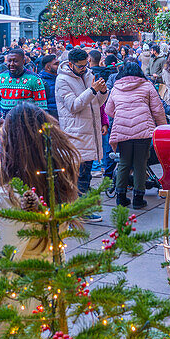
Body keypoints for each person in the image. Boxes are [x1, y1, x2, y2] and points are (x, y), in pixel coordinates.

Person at [0, 102, 79, 263]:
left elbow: (3, 259)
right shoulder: (57, 182)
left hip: (24, 282)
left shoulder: (8, 196)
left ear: (10, 143)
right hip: (53, 277)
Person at [105, 61, 166, 209]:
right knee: (140, 163)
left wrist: (121, 114)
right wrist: (163, 127)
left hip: (122, 129)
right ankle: (138, 199)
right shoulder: (147, 86)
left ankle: (121, 198)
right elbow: (157, 109)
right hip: (143, 129)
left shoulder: (116, 87)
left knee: (124, 163)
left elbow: (108, 110)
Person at [55, 48, 106, 220]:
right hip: (76, 133)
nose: (84, 68)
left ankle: (80, 209)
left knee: (86, 175)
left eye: (86, 65)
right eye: (80, 66)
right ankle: (79, 210)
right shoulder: (62, 80)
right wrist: (92, 90)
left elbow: (97, 103)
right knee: (78, 176)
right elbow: (74, 106)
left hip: (90, 132)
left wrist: (103, 92)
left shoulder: (88, 74)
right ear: (70, 64)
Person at [0, 48, 47, 116]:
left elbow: (42, 108)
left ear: (23, 62)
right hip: (5, 124)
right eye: (9, 61)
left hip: (27, 124)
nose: (11, 64)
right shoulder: (0, 78)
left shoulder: (35, 79)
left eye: (15, 61)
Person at [36, 55, 60, 119]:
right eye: (56, 64)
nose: (59, 66)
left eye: (59, 63)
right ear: (48, 67)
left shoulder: (61, 78)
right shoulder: (40, 81)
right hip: (49, 117)